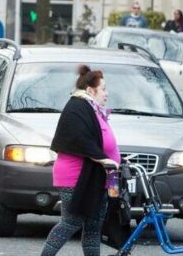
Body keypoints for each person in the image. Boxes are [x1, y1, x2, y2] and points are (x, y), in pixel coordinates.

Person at [41, 65, 121, 256]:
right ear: (90, 90)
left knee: (94, 226)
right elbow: (79, 139)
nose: (107, 94)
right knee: (71, 221)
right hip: (75, 177)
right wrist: (104, 159)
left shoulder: (95, 110)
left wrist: (116, 161)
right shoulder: (76, 107)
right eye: (103, 89)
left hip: (96, 176)